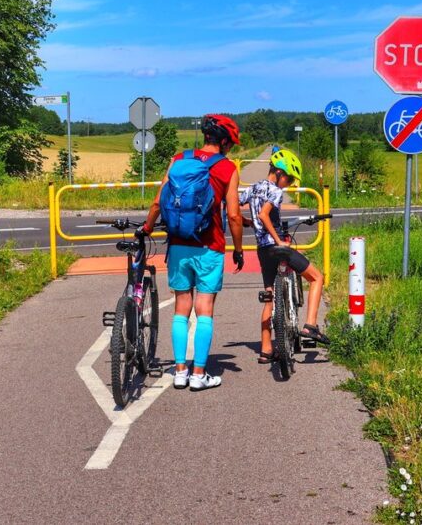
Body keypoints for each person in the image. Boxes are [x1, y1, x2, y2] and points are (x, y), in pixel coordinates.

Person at [140, 114, 245, 391]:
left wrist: (148, 228)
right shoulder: (227, 168)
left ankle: (179, 371)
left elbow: (157, 202)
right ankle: (199, 374)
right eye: (230, 144)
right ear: (223, 141)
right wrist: (237, 249)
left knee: (181, 308)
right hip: (209, 246)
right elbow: (234, 216)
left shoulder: (178, 159)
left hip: (177, 244)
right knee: (205, 308)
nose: (230, 148)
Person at [239, 147, 328, 364]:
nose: (288, 184)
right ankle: (310, 326)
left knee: (269, 297)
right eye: (288, 178)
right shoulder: (275, 191)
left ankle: (266, 350)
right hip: (276, 246)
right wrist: (278, 239)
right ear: (279, 172)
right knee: (317, 278)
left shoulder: (254, 188)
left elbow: (233, 207)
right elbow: (264, 214)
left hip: (262, 250)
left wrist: (248, 223)